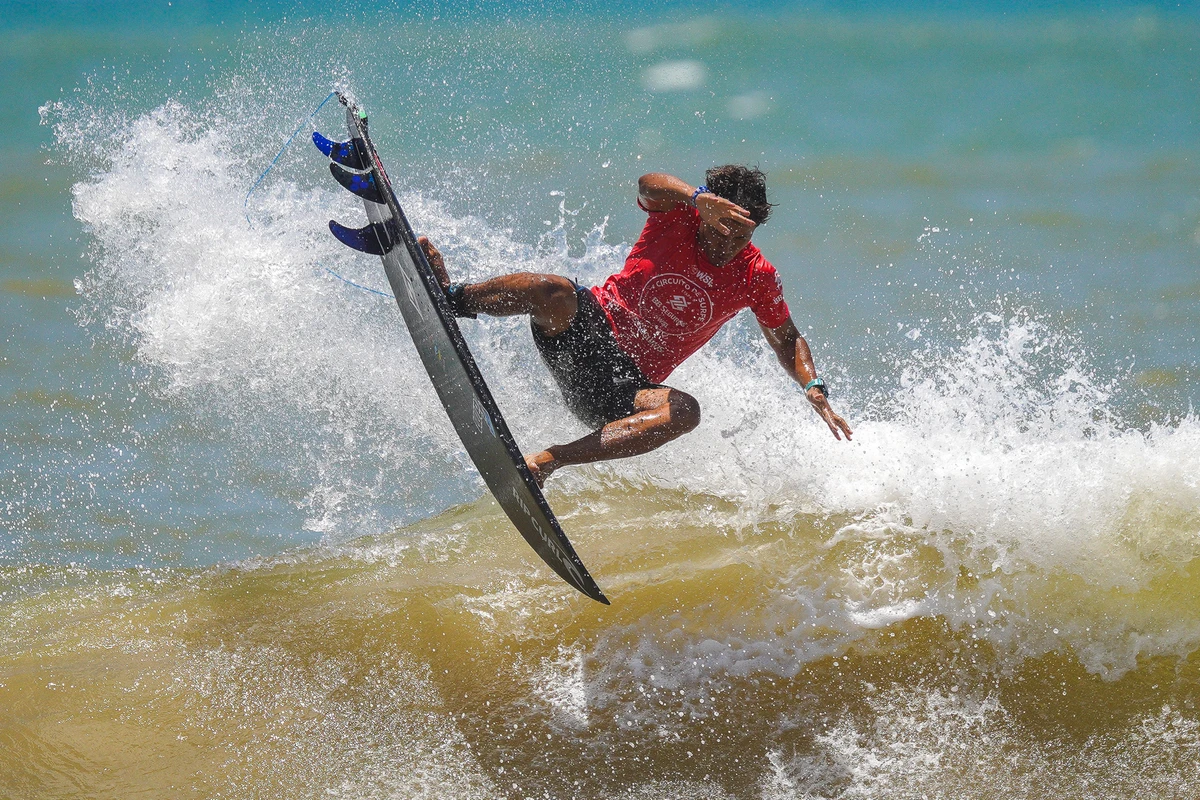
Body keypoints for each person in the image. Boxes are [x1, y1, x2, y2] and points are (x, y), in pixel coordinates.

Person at [418, 166, 853, 486]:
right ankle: (452, 298)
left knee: (685, 412)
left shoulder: (756, 276)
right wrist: (695, 196)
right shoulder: (676, 217)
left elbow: (787, 339)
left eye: (741, 235)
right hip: (582, 329)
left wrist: (813, 386)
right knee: (549, 288)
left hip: (620, 389)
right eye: (722, 228)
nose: (728, 243)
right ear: (706, 211)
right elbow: (648, 182)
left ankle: (546, 462)